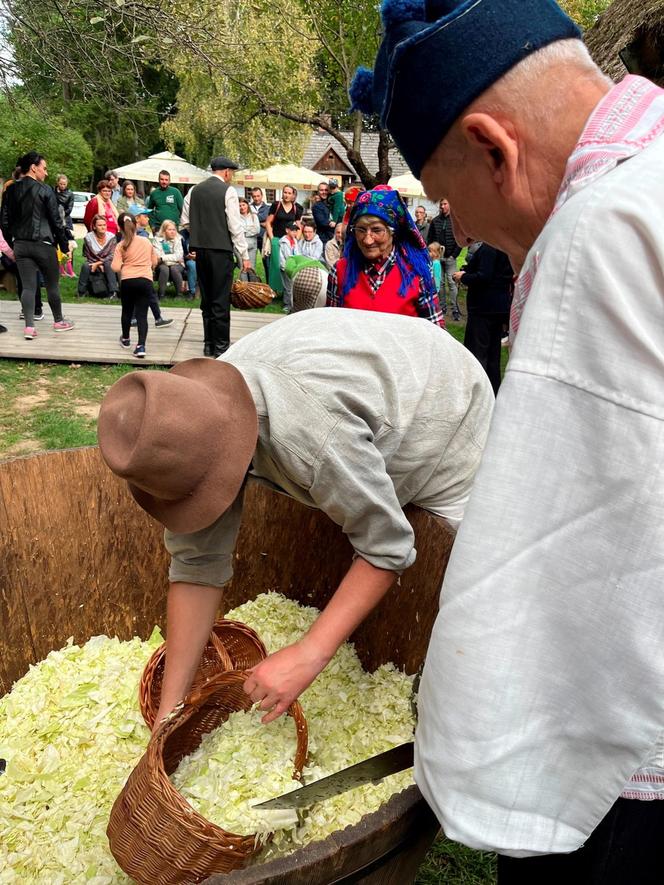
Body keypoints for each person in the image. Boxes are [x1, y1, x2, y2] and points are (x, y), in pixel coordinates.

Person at [355, 0, 664, 879]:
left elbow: (550, 568)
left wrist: (476, 737)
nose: (459, 232)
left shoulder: (599, 232)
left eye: (449, 202)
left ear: (495, 147)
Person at [97, 308, 494, 732]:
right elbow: (196, 566)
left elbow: (388, 547)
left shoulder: (309, 434)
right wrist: (168, 714)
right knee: (358, 489)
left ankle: (469, 723)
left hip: (444, 404)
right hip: (355, 410)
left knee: (461, 577)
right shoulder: (189, 426)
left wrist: (308, 654)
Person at [327, 186, 444, 327]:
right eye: (361, 230)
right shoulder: (339, 272)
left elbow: (436, 331)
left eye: (377, 230)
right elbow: (331, 329)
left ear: (393, 231)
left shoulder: (417, 273)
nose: (367, 240)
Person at [180, 156, 250, 357]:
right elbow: (235, 227)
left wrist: (200, 234)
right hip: (221, 251)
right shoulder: (227, 191)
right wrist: (244, 255)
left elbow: (185, 221)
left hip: (200, 251)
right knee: (220, 299)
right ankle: (221, 347)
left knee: (207, 298)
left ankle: (209, 344)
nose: (232, 177)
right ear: (226, 172)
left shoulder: (194, 190)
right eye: (232, 173)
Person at [0, 150, 74, 339]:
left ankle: (30, 328)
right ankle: (58, 321)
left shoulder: (10, 190)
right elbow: (57, 222)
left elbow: (4, 222)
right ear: (33, 168)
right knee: (52, 285)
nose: (46, 173)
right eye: (44, 168)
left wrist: (12, 242)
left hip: (21, 245)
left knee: (28, 286)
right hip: (44, 244)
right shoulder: (45, 190)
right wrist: (64, 246)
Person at [453, 244, 512, 395]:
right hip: (497, 307)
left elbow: (485, 276)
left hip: (483, 308)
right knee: (493, 354)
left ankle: (478, 393)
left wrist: (463, 276)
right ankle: (492, 391)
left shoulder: (490, 248)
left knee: (478, 353)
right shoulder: (505, 247)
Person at [111, 212, 158, 358]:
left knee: (127, 310)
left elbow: (115, 267)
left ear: (120, 228)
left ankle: (125, 339)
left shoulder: (121, 245)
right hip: (145, 280)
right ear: (136, 225)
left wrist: (125, 263)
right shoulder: (146, 241)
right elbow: (155, 262)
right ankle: (141, 346)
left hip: (128, 281)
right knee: (142, 314)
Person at [127, 205, 173, 328]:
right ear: (137, 218)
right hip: (139, 270)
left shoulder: (139, 233)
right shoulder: (137, 235)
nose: (148, 218)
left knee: (149, 293)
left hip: (140, 270)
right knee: (144, 293)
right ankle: (137, 318)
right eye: (145, 216)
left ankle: (156, 318)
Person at [426, 199, 462, 320]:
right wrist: (433, 253)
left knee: (452, 283)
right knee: (439, 283)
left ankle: (454, 309)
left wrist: (454, 255)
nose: (442, 206)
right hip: (437, 258)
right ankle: (442, 307)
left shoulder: (456, 221)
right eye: (441, 204)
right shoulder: (435, 221)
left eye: (445, 204)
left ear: (450, 205)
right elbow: (430, 238)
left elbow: (460, 240)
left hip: (451, 258)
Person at [264, 185, 303, 294]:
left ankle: (287, 292)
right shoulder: (276, 205)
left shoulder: (296, 209)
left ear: (293, 195)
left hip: (289, 242)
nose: (286, 195)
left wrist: (297, 239)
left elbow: (299, 226)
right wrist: (272, 239)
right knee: (276, 266)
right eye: (285, 192)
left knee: (288, 265)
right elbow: (268, 222)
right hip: (277, 240)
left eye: (289, 193)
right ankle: (273, 291)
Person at [77, 214, 118, 298]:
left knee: (108, 264)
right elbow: (88, 255)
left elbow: (112, 255)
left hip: (107, 262)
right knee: (85, 266)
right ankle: (81, 292)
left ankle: (113, 292)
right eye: (100, 225)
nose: (103, 227)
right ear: (94, 227)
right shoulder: (88, 237)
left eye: (104, 225)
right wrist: (98, 264)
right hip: (92, 261)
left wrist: (99, 263)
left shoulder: (111, 237)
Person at [154, 220, 187, 298]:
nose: (172, 232)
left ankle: (179, 294)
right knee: (164, 269)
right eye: (169, 230)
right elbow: (158, 255)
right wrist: (172, 259)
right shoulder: (158, 239)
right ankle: (161, 295)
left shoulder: (179, 238)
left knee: (174, 269)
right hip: (162, 265)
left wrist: (163, 258)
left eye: (174, 229)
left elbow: (178, 256)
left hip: (177, 265)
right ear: (164, 231)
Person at [53, 174, 75, 278]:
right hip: (54, 219)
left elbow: (69, 208)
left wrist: (62, 215)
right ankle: (59, 269)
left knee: (69, 244)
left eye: (64, 184)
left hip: (65, 219)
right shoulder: (52, 191)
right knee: (56, 245)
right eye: (61, 183)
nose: (62, 186)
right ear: (57, 183)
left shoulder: (70, 194)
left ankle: (70, 268)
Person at [278, 221, 300, 313]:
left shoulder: (294, 241)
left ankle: (293, 304)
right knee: (288, 287)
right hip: (285, 267)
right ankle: (287, 304)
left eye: (296, 231)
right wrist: (284, 267)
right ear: (287, 230)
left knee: (293, 286)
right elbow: (282, 256)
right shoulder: (283, 242)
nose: (294, 233)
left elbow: (297, 253)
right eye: (293, 231)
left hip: (294, 267)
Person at [237, 196, 260, 269]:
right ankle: (244, 281)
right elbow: (237, 231)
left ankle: (251, 281)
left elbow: (257, 230)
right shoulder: (236, 218)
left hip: (252, 246)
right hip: (240, 247)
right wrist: (250, 229)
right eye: (239, 206)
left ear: (247, 205)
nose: (242, 207)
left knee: (251, 268)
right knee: (243, 268)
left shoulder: (254, 216)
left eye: (243, 205)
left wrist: (244, 232)